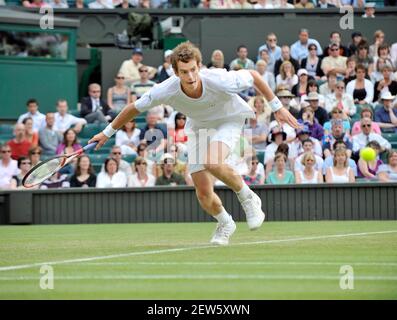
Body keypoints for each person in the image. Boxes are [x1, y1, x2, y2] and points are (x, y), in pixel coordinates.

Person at [89, 41, 299, 246]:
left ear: (199, 66)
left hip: (229, 118)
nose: (190, 77)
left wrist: (277, 107)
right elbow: (133, 108)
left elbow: (253, 76)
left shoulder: (219, 78)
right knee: (203, 193)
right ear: (175, 72)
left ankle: (248, 198)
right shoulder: (165, 89)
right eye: (184, 72)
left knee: (212, 161)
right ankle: (226, 223)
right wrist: (106, 133)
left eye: (193, 70)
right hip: (199, 126)